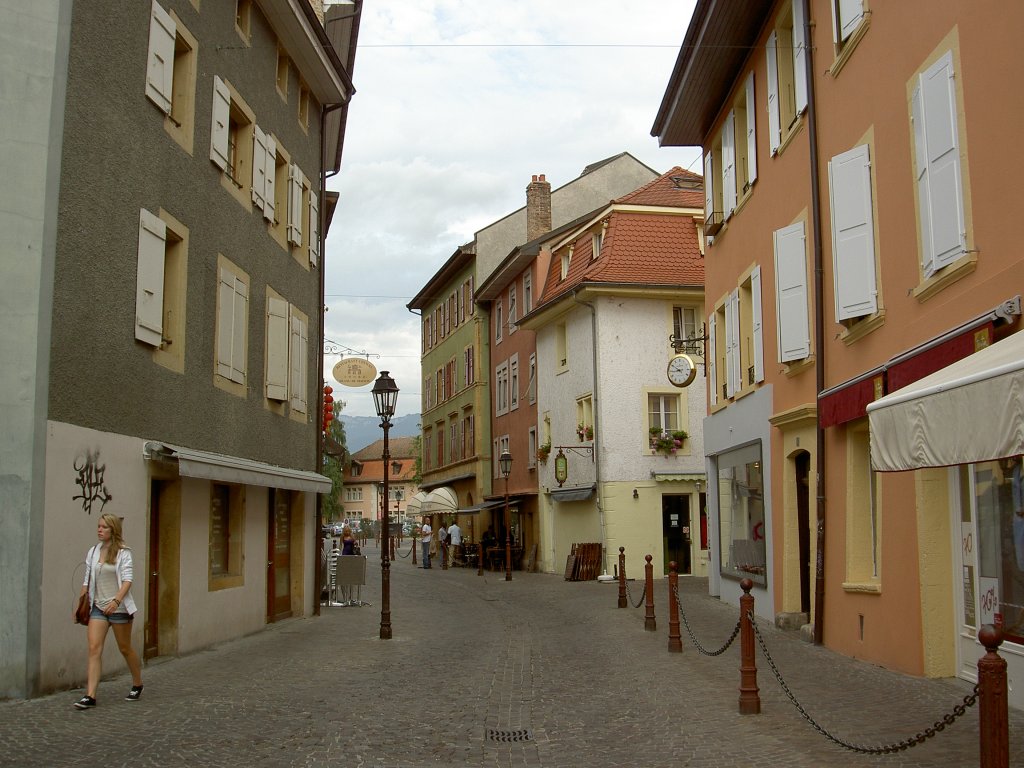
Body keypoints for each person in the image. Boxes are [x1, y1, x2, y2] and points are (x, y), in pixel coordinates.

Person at [74, 513, 144, 709]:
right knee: (94, 649)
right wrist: (81, 603)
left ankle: (137, 682)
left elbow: (128, 580)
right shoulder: (93, 551)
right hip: (98, 608)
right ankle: (90, 695)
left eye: (104, 527)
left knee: (124, 648)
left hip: (119, 608)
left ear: (113, 530)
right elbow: (87, 580)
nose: (99, 530)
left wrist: (116, 600)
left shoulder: (123, 552)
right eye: (98, 526)